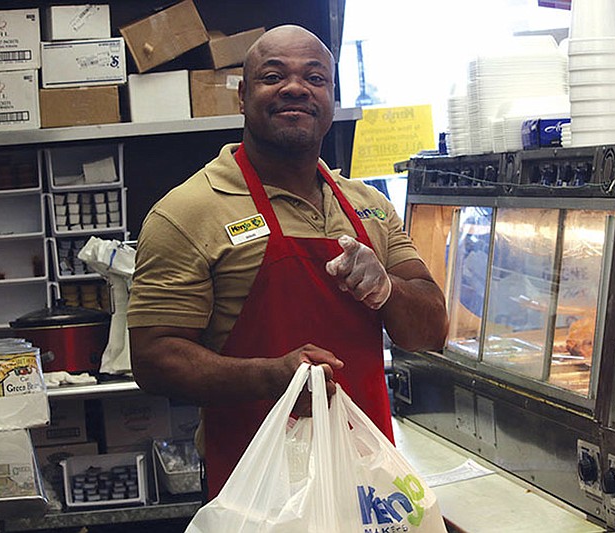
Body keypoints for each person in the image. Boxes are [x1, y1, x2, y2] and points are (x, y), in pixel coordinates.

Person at [127, 24, 449, 499]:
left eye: (315, 78)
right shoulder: (188, 211)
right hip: (255, 490)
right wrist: (274, 376)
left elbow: (430, 330)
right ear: (242, 95)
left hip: (369, 482)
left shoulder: (369, 205)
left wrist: (387, 288)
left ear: (331, 98)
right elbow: (154, 359)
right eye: (273, 76)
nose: (295, 87)